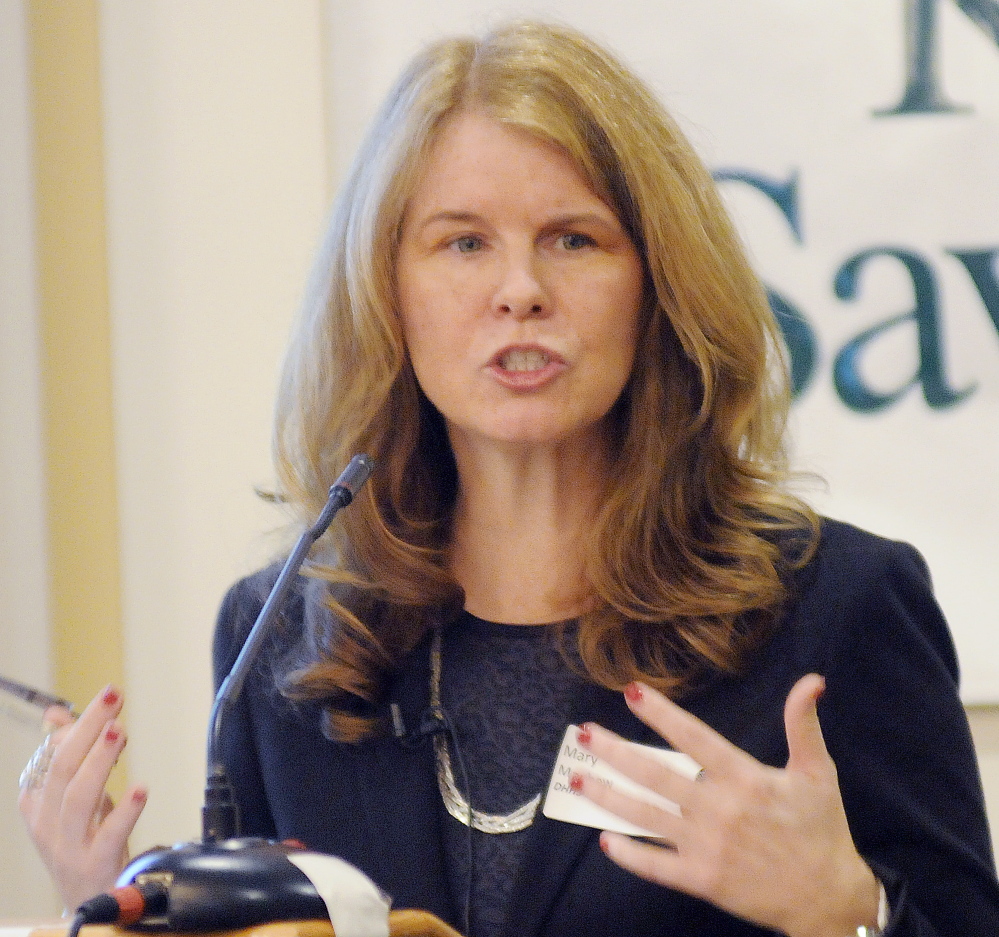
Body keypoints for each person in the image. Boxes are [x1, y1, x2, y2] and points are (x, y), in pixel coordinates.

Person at [18, 20, 999, 937]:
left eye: (575, 239)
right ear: (386, 291)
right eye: (463, 242)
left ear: (656, 284)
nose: (520, 290)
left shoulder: (839, 608)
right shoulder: (279, 642)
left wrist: (849, 912)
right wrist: (113, 911)